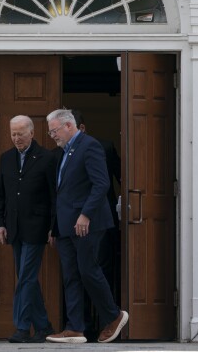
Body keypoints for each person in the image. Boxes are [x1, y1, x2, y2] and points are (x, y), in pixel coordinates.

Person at [45, 109, 128, 344]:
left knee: (88, 271)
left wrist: (85, 215)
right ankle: (75, 329)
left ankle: (114, 316)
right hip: (65, 226)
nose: (52, 135)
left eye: (54, 130)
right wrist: (55, 226)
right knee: (71, 276)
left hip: (86, 224)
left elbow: (101, 184)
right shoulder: (66, 151)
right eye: (50, 131)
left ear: (69, 126)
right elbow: (63, 192)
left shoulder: (89, 146)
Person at [0, 115, 56, 343]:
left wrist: (53, 227)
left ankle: (21, 327)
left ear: (32, 133)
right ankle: (44, 326)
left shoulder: (47, 158)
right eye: (13, 134)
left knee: (26, 277)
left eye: (21, 133)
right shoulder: (6, 158)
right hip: (14, 228)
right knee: (27, 277)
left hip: (37, 228)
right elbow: (0, 195)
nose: (17, 138)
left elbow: (54, 197)